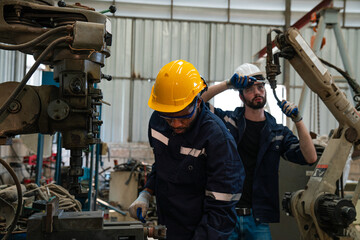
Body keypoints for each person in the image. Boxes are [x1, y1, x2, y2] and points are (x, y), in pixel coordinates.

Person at [128, 59, 245, 240]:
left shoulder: (217, 140)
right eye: (169, 117)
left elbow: (221, 212)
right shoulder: (158, 122)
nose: (175, 124)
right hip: (167, 228)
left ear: (198, 102)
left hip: (203, 233)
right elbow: (162, 166)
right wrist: (146, 193)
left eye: (183, 116)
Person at [201, 63, 317, 240]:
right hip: (225, 216)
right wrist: (228, 84)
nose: (257, 92)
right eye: (250, 88)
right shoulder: (227, 122)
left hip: (258, 219)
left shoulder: (277, 132)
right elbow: (198, 103)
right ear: (241, 95)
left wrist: (298, 120)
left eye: (261, 87)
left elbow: (310, 157)